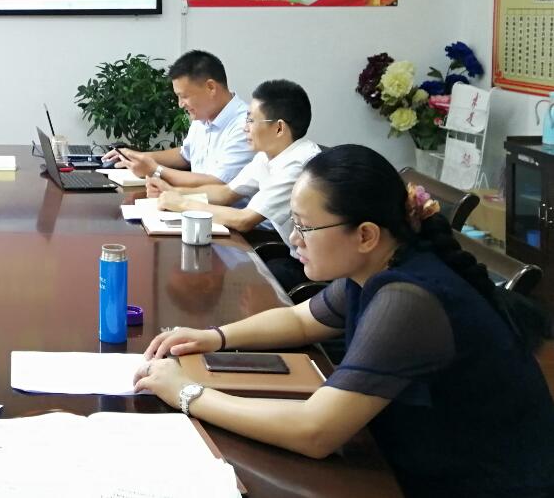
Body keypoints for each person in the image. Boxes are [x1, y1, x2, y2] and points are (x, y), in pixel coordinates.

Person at [134, 145, 554, 498]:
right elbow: (301, 320)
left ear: (366, 234)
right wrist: (213, 337)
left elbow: (314, 431)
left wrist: (187, 392)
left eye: (305, 227)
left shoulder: (409, 301)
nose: (294, 239)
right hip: (414, 459)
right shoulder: (377, 265)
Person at [150, 80, 320, 254]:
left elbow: (244, 220)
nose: (245, 128)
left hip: (305, 263)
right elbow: (226, 193)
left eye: (251, 120)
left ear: (279, 128)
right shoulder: (267, 156)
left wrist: (182, 203)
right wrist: (173, 191)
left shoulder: (297, 165)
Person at [103, 50, 252, 188]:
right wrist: (134, 156)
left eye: (184, 96)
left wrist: (155, 170)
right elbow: (184, 155)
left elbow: (217, 184)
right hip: (195, 203)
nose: (180, 104)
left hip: (222, 207)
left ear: (211, 87)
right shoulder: (203, 116)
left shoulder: (246, 125)